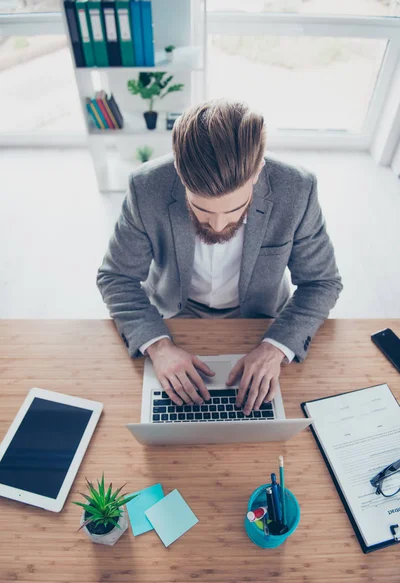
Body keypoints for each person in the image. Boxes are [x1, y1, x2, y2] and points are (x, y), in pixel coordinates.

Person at [97, 99, 342, 415]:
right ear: (180, 174)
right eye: (201, 209)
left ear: (257, 173)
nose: (217, 225)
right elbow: (117, 277)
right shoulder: (146, 186)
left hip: (260, 321)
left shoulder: (297, 189)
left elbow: (322, 282)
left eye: (233, 210)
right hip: (172, 319)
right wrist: (158, 346)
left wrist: (274, 348)